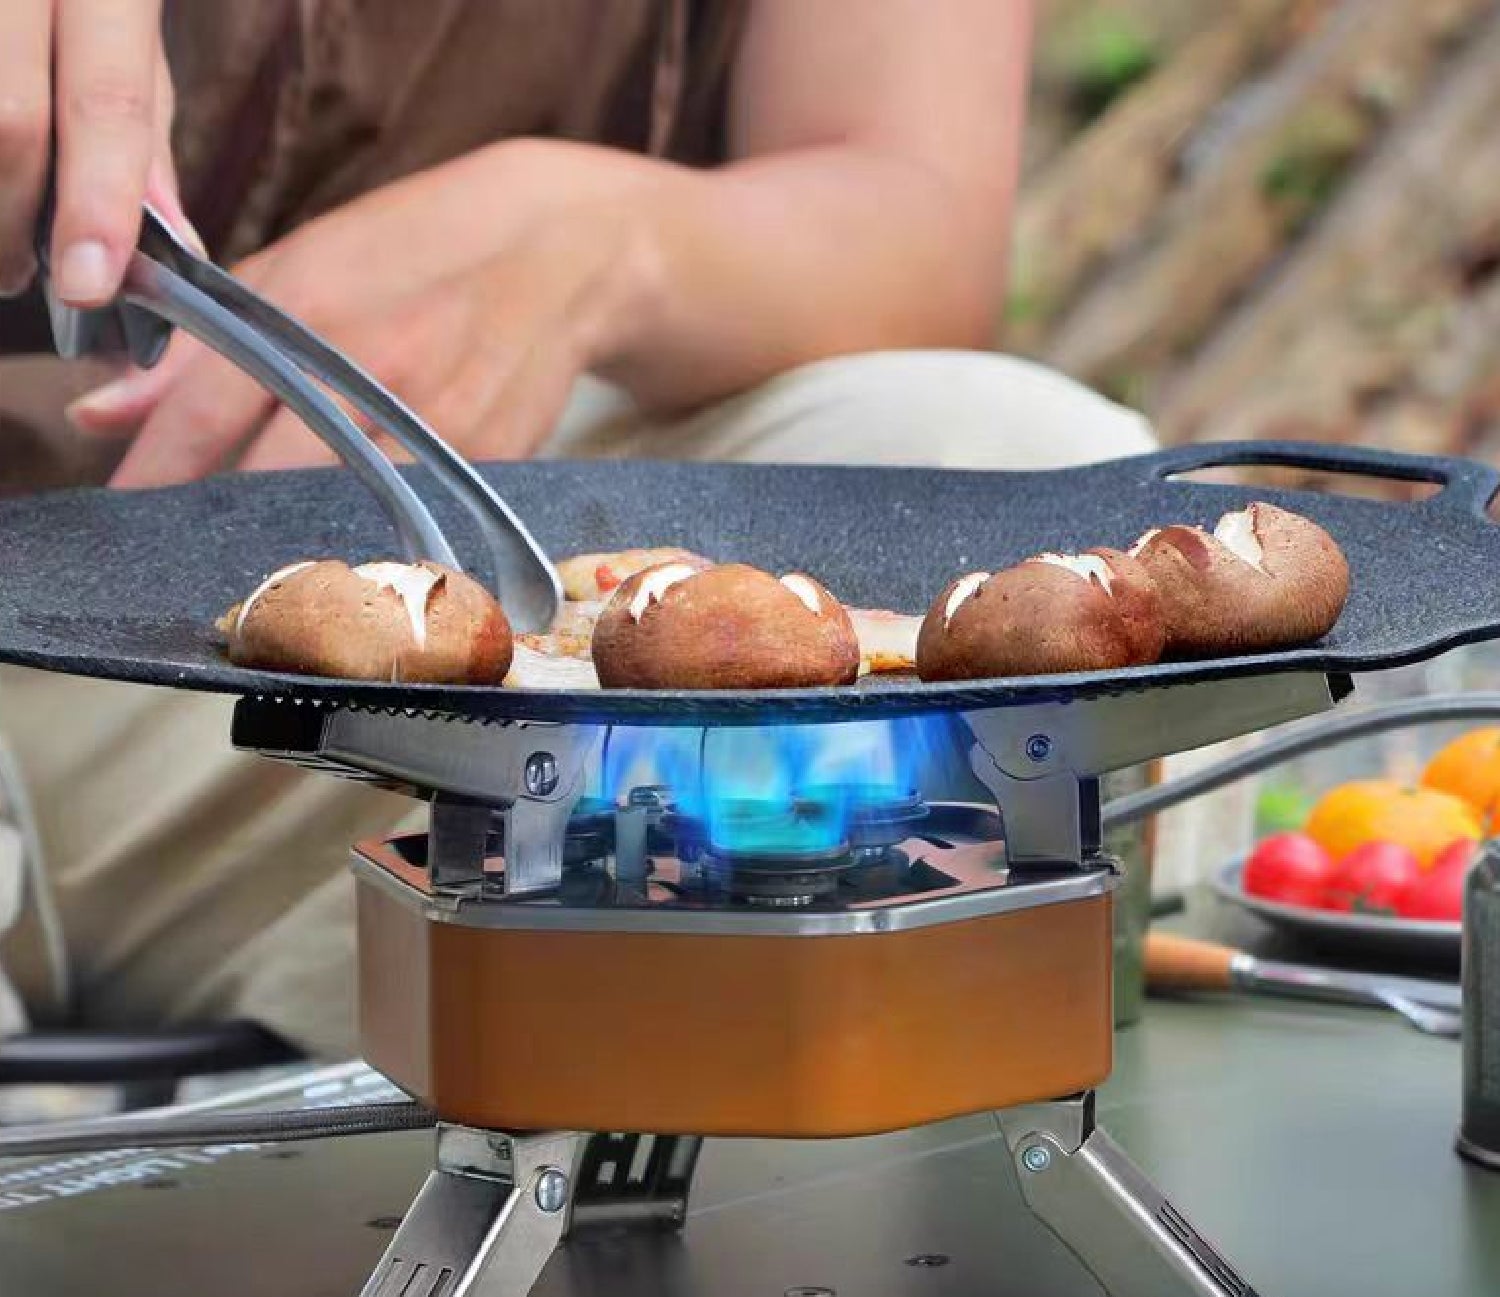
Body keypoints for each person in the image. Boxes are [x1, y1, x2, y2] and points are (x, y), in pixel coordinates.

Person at [0, 0, 1153, 1054]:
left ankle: (754, 1031)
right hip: (56, 616)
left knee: (1027, 457)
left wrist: (595, 243)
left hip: (426, 660)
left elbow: (920, 211)